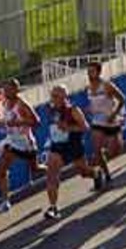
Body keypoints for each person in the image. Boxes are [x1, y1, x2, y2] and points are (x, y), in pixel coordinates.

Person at [42, 85, 93, 221]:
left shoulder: (73, 110)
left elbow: (85, 127)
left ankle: (96, 174)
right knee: (52, 175)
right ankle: (53, 207)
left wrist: (68, 127)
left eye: (57, 96)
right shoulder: (50, 110)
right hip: (57, 147)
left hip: (73, 146)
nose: (53, 99)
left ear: (65, 97)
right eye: (52, 96)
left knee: (84, 172)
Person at [0, 80, 41, 213]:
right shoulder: (3, 103)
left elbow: (36, 122)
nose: (6, 92)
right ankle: (5, 201)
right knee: (2, 169)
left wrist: (18, 122)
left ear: (16, 90)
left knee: (36, 169)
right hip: (11, 141)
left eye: (9, 89)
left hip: (25, 142)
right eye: (5, 89)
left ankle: (53, 172)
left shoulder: (22, 105)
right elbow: (1, 118)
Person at [85, 62, 125, 189]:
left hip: (111, 121)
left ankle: (103, 162)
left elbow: (122, 99)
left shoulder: (107, 85)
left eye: (92, 71)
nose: (89, 74)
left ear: (98, 72)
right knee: (96, 150)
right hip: (97, 122)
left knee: (116, 150)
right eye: (88, 71)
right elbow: (93, 104)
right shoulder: (89, 88)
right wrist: (89, 109)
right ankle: (106, 175)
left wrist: (114, 114)